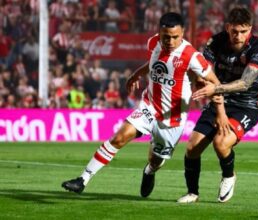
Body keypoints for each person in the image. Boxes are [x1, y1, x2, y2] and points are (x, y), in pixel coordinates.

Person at [61, 12, 224, 197]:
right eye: (166, 37)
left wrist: (219, 110)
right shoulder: (153, 42)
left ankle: (150, 171)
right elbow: (153, 63)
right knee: (120, 137)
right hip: (149, 105)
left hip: (172, 117)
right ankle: (83, 179)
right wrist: (136, 74)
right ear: (159, 33)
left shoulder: (192, 56)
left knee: (156, 160)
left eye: (175, 37)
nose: (170, 41)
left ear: (183, 33)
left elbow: (215, 82)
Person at [177, 7, 258, 203]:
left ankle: (229, 175)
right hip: (218, 100)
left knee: (221, 143)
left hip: (247, 106)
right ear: (228, 27)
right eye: (234, 31)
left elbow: (245, 83)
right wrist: (219, 107)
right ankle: (192, 193)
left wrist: (216, 91)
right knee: (192, 148)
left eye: (243, 31)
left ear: (250, 29)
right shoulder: (215, 42)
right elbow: (205, 76)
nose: (238, 36)